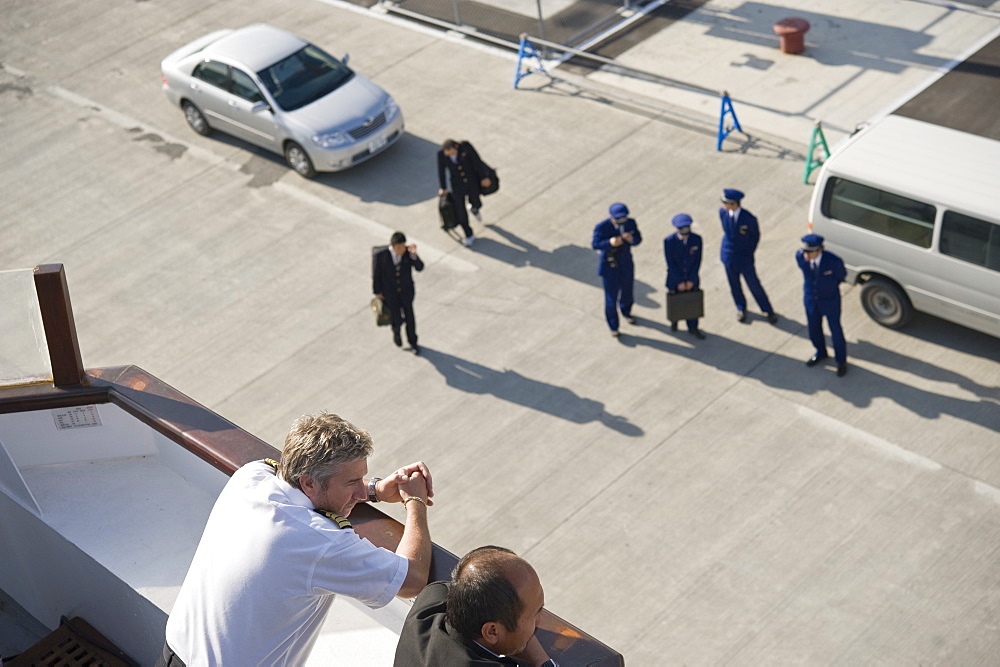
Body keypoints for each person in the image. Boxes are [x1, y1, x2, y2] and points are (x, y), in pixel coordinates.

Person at [160, 412, 434, 666]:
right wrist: (415, 500)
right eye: (352, 483)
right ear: (309, 483)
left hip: (174, 650)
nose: (360, 492)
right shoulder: (317, 542)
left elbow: (309, 498)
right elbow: (411, 580)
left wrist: (375, 490)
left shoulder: (252, 476)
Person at [394, 546, 557, 667]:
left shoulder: (429, 604)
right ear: (492, 632)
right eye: (535, 614)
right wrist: (543, 662)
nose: (540, 621)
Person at [719, 188, 778, 324]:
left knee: (754, 285)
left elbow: (755, 238)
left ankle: (767, 310)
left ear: (734, 204)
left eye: (726, 203)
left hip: (744, 259)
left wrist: (747, 254)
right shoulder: (723, 213)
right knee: (734, 285)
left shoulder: (749, 219)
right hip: (728, 256)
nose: (723, 206)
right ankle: (741, 307)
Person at [796, 233, 848, 376]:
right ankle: (821, 352)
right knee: (814, 329)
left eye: (809, 252)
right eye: (804, 251)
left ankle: (841, 361)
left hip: (830, 301)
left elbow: (841, 276)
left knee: (836, 332)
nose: (805, 255)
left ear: (819, 250)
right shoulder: (800, 257)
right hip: (811, 301)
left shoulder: (833, 261)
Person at [592, 202, 642, 337]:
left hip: (626, 264)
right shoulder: (602, 227)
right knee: (611, 298)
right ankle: (614, 326)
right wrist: (610, 243)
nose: (621, 221)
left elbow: (638, 239)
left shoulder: (630, 223)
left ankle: (626, 311)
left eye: (623, 218)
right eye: (618, 219)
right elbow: (595, 244)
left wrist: (632, 239)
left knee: (628, 291)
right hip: (610, 267)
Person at [374, 231, 425, 355]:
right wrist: (377, 292)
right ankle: (396, 332)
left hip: (406, 293)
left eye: (403, 247)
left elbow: (420, 267)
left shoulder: (408, 254)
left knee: (410, 319)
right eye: (399, 248)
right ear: (393, 246)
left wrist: (414, 255)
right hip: (390, 294)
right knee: (396, 318)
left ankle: (413, 342)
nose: (401, 250)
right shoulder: (381, 255)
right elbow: (376, 274)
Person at [438, 139, 492, 247]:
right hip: (457, 186)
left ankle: (474, 208)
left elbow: (477, 160)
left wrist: (483, 177)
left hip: (472, 181)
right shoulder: (441, 155)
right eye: (448, 154)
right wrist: (443, 187)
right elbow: (441, 171)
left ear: (456, 147)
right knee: (460, 211)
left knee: (476, 201)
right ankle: (468, 234)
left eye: (452, 153)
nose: (451, 155)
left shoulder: (465, 147)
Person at [664, 213, 705, 339]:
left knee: (693, 305)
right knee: (675, 304)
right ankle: (675, 322)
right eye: (682, 229)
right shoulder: (669, 241)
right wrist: (679, 281)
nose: (685, 232)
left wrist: (691, 280)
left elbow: (698, 261)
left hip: (692, 278)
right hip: (675, 279)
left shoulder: (696, 239)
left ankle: (693, 327)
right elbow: (670, 263)